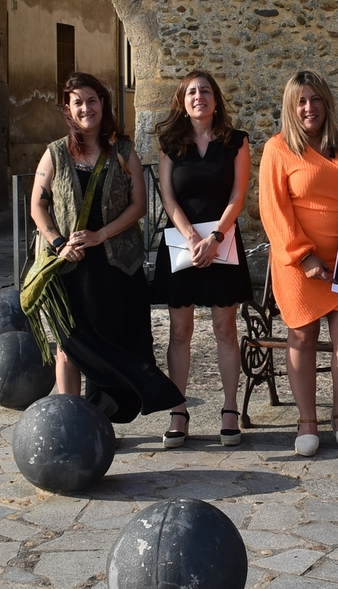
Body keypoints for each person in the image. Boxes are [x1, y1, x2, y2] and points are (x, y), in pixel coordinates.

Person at [29, 72, 185, 423]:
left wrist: (101, 235)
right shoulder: (55, 153)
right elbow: (38, 205)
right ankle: (71, 422)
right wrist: (58, 243)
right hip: (71, 266)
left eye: (92, 100)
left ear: (103, 103)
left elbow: (138, 206)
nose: (86, 108)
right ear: (68, 109)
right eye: (78, 102)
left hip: (118, 267)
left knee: (117, 342)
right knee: (70, 348)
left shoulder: (123, 150)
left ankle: (103, 417)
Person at [258, 69, 338, 457]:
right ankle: (308, 421)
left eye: (316, 99)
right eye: (301, 101)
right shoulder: (278, 148)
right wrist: (303, 256)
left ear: (327, 103)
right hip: (298, 260)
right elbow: (272, 209)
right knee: (302, 338)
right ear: (291, 106)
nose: (309, 108)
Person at [150, 70, 252, 449]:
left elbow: (237, 197)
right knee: (180, 331)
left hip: (222, 244)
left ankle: (229, 410)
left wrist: (215, 238)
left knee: (226, 329)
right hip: (182, 246)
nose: (199, 97)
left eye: (205, 91)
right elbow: (168, 197)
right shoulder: (168, 144)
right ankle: (178, 410)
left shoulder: (236, 142)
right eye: (191, 92)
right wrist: (194, 237)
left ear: (215, 99)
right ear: (182, 100)